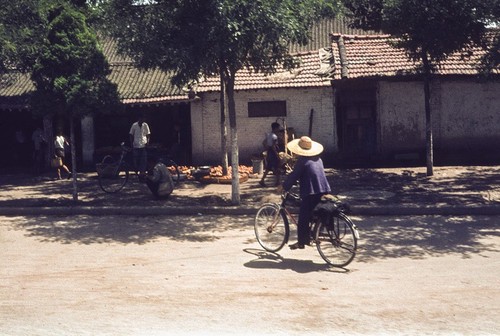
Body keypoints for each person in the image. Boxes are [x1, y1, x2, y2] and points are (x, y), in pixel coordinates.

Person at [277, 136, 331, 250]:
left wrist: (284, 186)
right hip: (323, 189)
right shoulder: (318, 159)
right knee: (313, 213)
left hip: (311, 191)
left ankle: (301, 242)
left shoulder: (302, 161)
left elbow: (294, 175)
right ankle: (316, 231)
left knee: (303, 217)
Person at [259, 122, 282, 187]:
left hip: (269, 152)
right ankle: (277, 182)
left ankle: (263, 180)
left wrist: (267, 148)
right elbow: (273, 146)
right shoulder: (274, 136)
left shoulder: (269, 135)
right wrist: (277, 155)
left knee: (269, 167)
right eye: (278, 128)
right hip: (273, 153)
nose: (278, 129)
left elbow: (264, 142)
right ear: (275, 128)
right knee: (277, 167)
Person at [129, 114, 151, 179]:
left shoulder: (145, 125)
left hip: (143, 145)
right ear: (139, 119)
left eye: (143, 119)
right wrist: (131, 144)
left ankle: (142, 174)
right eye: (141, 119)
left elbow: (148, 134)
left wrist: (148, 142)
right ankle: (137, 173)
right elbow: (131, 134)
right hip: (136, 145)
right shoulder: (134, 125)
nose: (143, 120)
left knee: (143, 160)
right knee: (136, 160)